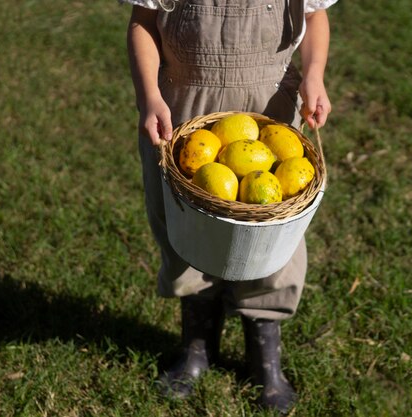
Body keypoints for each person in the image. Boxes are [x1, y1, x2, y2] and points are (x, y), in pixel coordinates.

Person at [123, 0, 334, 412]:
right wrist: (149, 97)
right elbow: (143, 23)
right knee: (186, 232)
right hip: (182, 113)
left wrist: (313, 76)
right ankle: (197, 346)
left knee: (271, 241)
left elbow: (314, 16)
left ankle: (264, 356)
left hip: (269, 112)